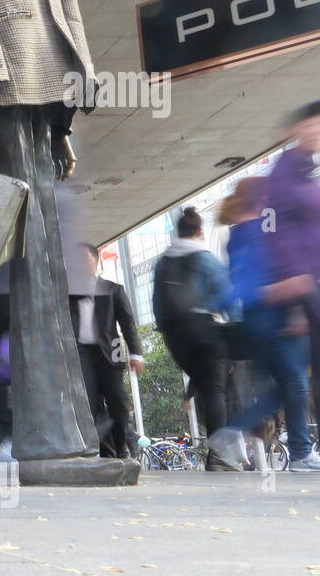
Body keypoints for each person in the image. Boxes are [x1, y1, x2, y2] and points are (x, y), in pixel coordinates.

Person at [209, 178, 320, 471]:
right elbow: (261, 281)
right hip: (271, 319)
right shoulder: (260, 232)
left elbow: (242, 282)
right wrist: (294, 302)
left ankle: (289, 447)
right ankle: (295, 452)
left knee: (289, 385)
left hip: (258, 322)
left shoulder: (240, 234)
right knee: (294, 383)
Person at [153, 207, 237, 469]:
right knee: (215, 390)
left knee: (203, 384)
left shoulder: (163, 262)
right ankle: (219, 456)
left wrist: (167, 332)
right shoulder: (204, 258)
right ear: (200, 232)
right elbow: (227, 296)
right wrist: (238, 329)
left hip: (176, 337)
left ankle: (218, 453)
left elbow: (157, 303)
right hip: (203, 329)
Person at [264, 100, 320, 430]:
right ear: (296, 131)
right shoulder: (284, 174)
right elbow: (273, 228)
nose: (316, 132)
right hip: (303, 281)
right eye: (311, 125)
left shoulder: (307, 172)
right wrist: (292, 280)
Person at [70, 242, 144, 459]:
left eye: (84, 257)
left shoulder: (113, 290)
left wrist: (136, 354)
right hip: (81, 354)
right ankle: (103, 451)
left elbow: (128, 324)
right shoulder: (68, 292)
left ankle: (122, 447)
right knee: (89, 406)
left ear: (96, 259)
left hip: (111, 353)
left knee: (118, 402)